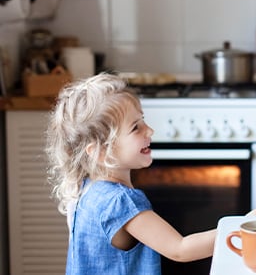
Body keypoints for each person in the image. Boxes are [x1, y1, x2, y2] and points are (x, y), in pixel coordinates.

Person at [45, 73, 216, 275]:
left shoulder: (86, 189)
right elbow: (179, 249)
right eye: (136, 128)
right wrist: (240, 229)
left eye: (142, 120)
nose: (149, 130)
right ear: (100, 151)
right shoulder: (120, 203)